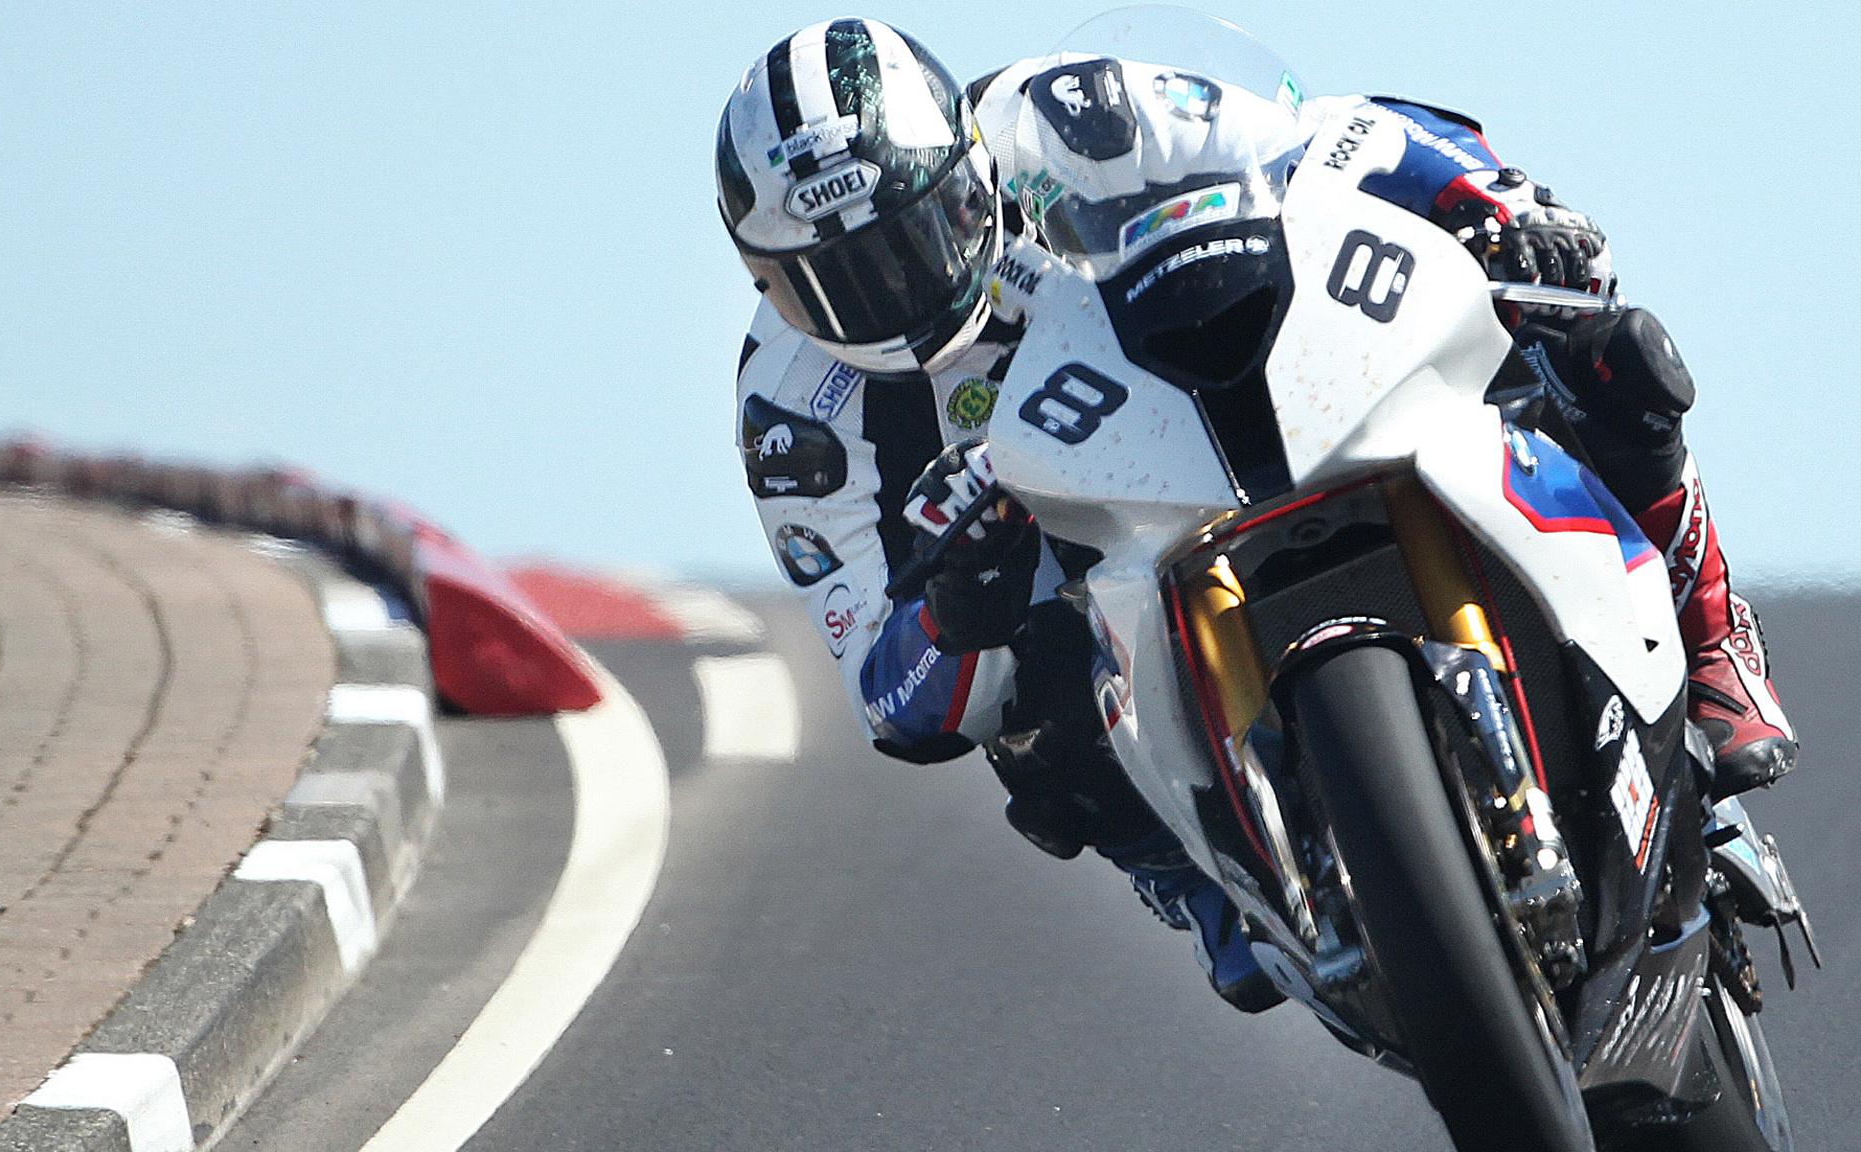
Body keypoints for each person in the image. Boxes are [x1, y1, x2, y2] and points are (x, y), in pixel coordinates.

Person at [716, 17, 1797, 1011]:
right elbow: (889, 695)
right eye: (847, 282)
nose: (902, 290)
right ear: (772, 287)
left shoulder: (1071, 114)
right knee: (1026, 733)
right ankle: (1204, 885)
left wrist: (1493, 205)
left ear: (965, 160)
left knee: (1597, 349)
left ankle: (1709, 643)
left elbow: (1328, 140)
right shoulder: (793, 420)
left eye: (917, 232)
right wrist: (954, 611)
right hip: (1093, 547)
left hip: (1268, 381)